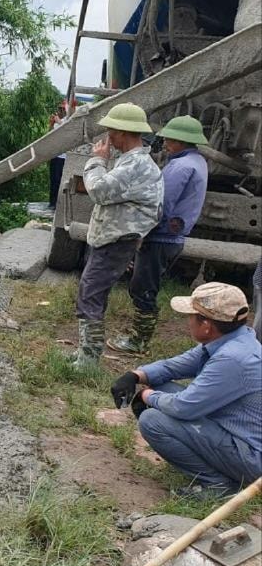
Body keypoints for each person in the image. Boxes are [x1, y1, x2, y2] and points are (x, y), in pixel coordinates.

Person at [111, 282, 261, 499]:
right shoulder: (234, 339)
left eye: (191, 316)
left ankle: (218, 484)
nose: (188, 321)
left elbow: (182, 408)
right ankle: (209, 465)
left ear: (207, 325)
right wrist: (135, 375)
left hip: (250, 456)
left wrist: (146, 395)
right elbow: (174, 366)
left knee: (152, 420)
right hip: (232, 432)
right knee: (159, 387)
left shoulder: (232, 359)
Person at [108, 115, 210, 355]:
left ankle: (139, 341)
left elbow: (161, 205)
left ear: (181, 141)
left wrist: (141, 232)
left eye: (169, 139)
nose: (164, 142)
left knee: (143, 287)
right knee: (146, 285)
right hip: (174, 237)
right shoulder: (197, 161)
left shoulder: (181, 167)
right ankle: (139, 333)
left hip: (162, 237)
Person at [72, 103, 163, 368]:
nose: (108, 137)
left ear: (124, 132)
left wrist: (97, 161)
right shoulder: (133, 163)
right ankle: (85, 354)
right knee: (91, 291)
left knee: (90, 294)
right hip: (114, 238)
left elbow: (98, 190)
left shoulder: (135, 165)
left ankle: (88, 360)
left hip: (115, 241)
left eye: (112, 131)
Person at [47, 102, 68, 209]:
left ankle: (60, 204)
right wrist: (51, 124)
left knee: (61, 180)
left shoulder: (67, 121)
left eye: (62, 109)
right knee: (53, 179)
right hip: (55, 155)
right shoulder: (57, 122)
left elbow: (67, 130)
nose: (60, 111)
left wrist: (59, 122)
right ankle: (52, 202)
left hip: (65, 157)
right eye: (59, 109)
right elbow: (49, 135)